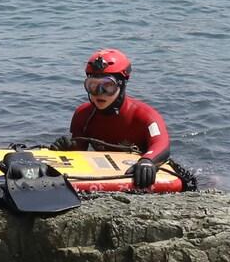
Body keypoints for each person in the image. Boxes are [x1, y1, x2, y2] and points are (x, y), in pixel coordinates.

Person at [66, 48, 171, 190]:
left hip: (139, 170)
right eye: (93, 86)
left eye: (108, 86)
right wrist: (66, 146)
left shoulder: (145, 115)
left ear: (121, 85)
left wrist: (148, 161)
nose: (99, 93)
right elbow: (78, 153)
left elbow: (162, 143)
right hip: (107, 170)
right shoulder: (82, 114)